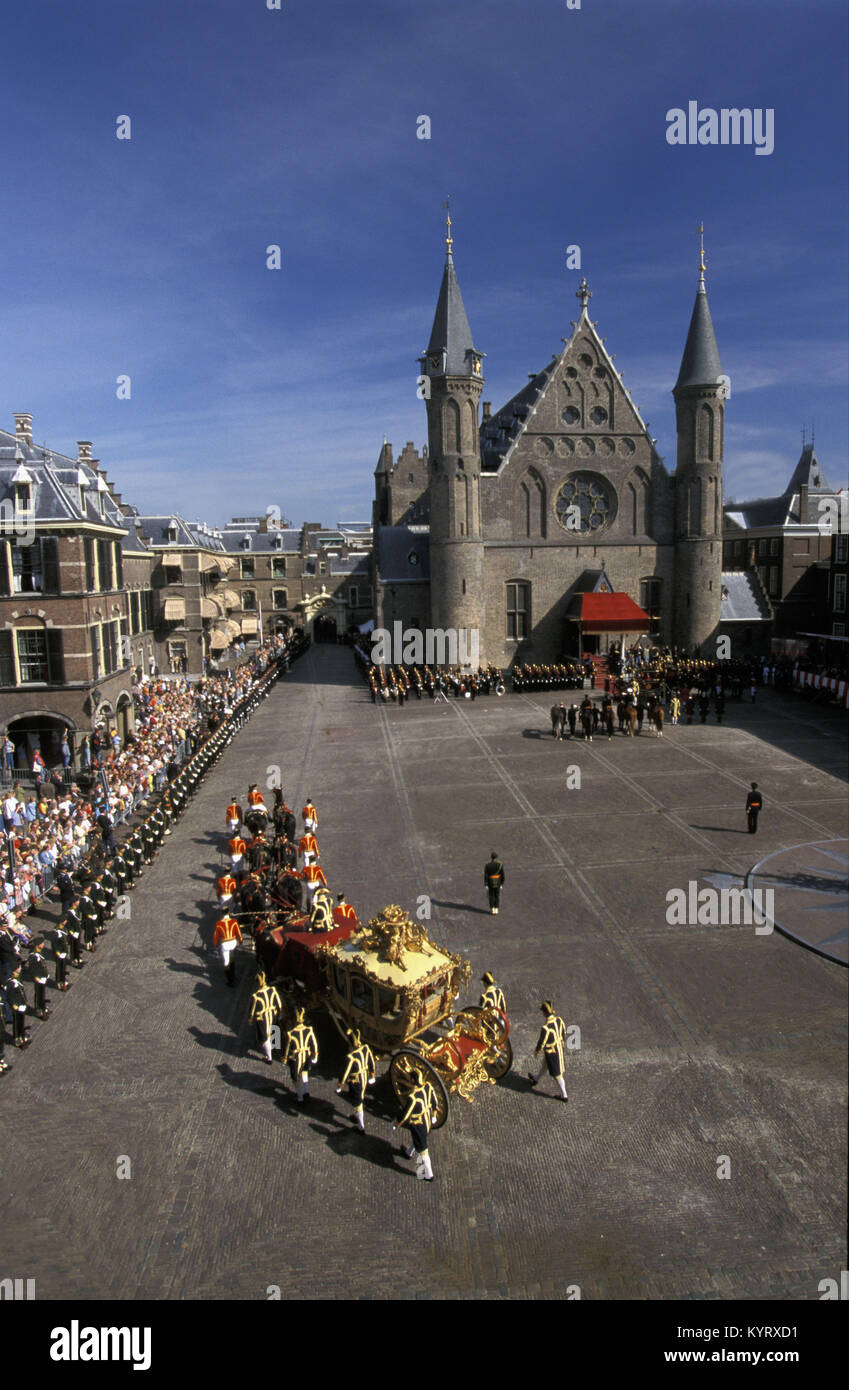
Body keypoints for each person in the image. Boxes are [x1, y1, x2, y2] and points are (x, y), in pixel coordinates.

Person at [393, 1067, 438, 1181]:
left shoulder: (413, 1097)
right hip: (427, 1121)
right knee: (418, 1140)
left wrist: (396, 1123)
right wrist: (434, 1116)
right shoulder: (428, 1087)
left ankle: (429, 1174)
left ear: (413, 1080)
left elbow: (406, 1114)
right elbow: (434, 1102)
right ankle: (409, 1152)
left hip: (419, 1125)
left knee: (423, 1150)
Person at [336, 1027, 376, 1132]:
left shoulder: (351, 1057)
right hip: (364, 1078)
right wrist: (372, 1075)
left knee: (357, 1103)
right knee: (359, 1099)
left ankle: (361, 1127)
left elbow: (345, 1073)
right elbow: (371, 1062)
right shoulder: (366, 1048)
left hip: (356, 1081)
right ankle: (356, 1116)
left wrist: (340, 1084)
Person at [528, 1000, 569, 1102]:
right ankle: (536, 1079)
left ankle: (564, 1095)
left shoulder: (546, 1028)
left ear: (544, 1013)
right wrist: (563, 1040)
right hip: (558, 1049)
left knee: (557, 1074)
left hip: (552, 1053)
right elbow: (563, 1030)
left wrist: (537, 1051)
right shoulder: (559, 1020)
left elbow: (542, 1042)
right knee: (545, 1065)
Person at [282, 1006, 319, 1104]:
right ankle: (306, 1092)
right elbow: (314, 1044)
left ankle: (300, 1098)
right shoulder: (309, 1030)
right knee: (305, 1073)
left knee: (296, 1078)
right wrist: (315, 1055)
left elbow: (287, 1048)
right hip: (306, 1056)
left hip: (296, 1058)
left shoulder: (291, 1033)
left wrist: (285, 1059)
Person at [248, 971, 282, 1064]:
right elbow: (279, 1004)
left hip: (262, 1020)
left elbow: (252, 1011)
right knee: (274, 1030)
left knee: (264, 1038)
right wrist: (279, 1014)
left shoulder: (256, 996)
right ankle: (276, 1048)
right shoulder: (273, 990)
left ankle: (269, 1058)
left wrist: (250, 1020)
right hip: (273, 1015)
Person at [212, 911, 242, 986]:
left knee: (226, 962)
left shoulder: (218, 924)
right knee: (232, 958)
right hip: (233, 943)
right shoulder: (234, 921)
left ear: (222, 914)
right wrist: (240, 940)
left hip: (225, 945)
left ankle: (230, 980)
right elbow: (238, 932)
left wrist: (215, 944)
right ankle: (234, 975)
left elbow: (216, 935)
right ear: (228, 913)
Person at [484, 851, 505, 915]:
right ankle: (496, 909)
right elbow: (502, 874)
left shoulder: (487, 865)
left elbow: (486, 875)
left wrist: (486, 884)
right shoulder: (500, 864)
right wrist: (502, 883)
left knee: (491, 895)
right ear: (496, 857)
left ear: (491, 857)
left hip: (490, 881)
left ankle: (492, 909)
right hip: (498, 881)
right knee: (497, 895)